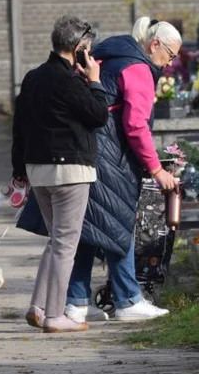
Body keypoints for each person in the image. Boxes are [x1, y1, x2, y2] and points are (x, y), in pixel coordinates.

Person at [62, 18, 181, 322]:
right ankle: (128, 299)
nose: (169, 64)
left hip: (87, 147)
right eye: (170, 55)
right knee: (119, 222)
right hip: (110, 155)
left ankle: (75, 302)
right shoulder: (138, 69)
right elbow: (135, 125)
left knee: (90, 228)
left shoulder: (111, 55)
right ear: (154, 44)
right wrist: (156, 169)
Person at [12, 15, 109, 334]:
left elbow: (19, 125)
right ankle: (55, 315)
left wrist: (19, 169)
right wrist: (94, 81)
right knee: (67, 243)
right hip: (70, 170)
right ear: (79, 47)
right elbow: (98, 116)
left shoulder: (33, 77)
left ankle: (38, 307)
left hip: (38, 169)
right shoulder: (68, 80)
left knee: (56, 242)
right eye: (89, 46)